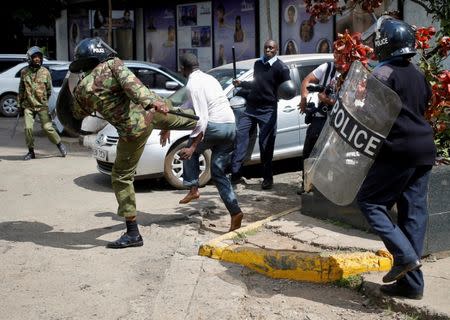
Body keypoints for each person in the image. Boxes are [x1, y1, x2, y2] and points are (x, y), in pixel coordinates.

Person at [69, 38, 197, 249]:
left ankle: (133, 233)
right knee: (187, 119)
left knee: (121, 177)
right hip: (152, 114)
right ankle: (215, 120)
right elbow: (134, 87)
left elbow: (76, 114)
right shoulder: (113, 65)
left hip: (132, 131)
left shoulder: (83, 88)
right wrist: (153, 102)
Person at [357, 17, 436, 300]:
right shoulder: (418, 74)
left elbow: (370, 116)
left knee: (370, 201)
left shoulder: (382, 73)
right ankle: (412, 285)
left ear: (383, 44)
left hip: (397, 150)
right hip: (424, 149)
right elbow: (423, 105)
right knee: (413, 215)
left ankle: (403, 256)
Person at [175, 53, 244, 232]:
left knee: (190, 146)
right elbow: (192, 103)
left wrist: (193, 147)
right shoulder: (209, 78)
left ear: (183, 68)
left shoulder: (192, 83)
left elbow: (203, 119)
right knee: (218, 172)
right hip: (230, 126)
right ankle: (235, 212)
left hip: (215, 126)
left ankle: (193, 187)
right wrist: (177, 111)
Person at [230, 39, 291, 190]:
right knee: (240, 137)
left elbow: (288, 89)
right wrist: (241, 83)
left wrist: (282, 95)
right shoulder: (258, 64)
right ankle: (235, 175)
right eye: (266, 47)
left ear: (276, 50)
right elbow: (257, 84)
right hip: (251, 108)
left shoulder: (281, 68)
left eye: (271, 48)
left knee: (266, 145)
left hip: (268, 110)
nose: (268, 50)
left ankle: (267, 179)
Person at [297, 51, 342, 194]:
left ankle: (328, 190)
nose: (337, 58)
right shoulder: (327, 67)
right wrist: (304, 99)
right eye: (336, 55)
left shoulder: (351, 74)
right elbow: (306, 81)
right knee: (309, 152)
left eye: (341, 55)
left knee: (331, 157)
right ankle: (307, 186)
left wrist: (327, 100)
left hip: (338, 121)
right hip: (319, 117)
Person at [18, 46, 67, 161]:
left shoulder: (45, 72)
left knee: (47, 127)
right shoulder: (24, 72)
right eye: (34, 57)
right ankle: (31, 152)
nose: (37, 59)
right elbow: (21, 89)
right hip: (28, 106)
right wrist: (19, 104)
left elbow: (49, 90)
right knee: (28, 128)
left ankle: (60, 144)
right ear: (30, 58)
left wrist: (43, 100)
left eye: (39, 57)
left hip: (42, 106)